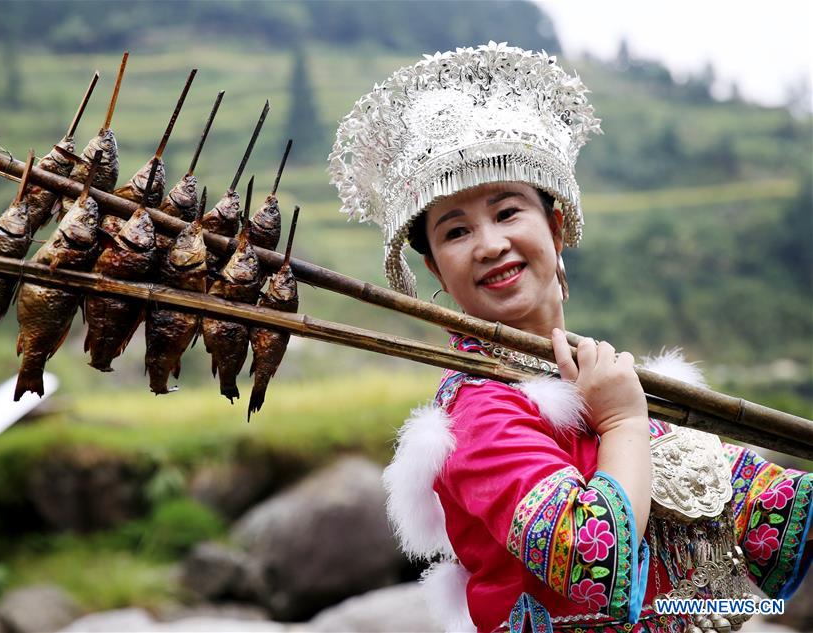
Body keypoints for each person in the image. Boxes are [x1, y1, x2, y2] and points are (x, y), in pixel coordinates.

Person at [329, 42, 812, 632]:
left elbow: (772, 510)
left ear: (556, 227)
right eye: (456, 231)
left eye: (507, 212)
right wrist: (624, 425)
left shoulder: (595, 376)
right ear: (436, 272)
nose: (488, 244)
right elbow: (594, 559)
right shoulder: (478, 416)